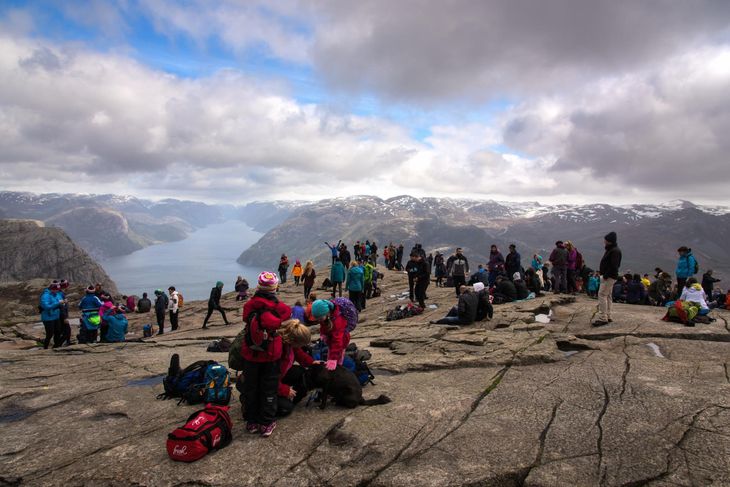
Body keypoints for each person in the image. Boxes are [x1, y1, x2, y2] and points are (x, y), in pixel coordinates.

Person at [241, 272, 292, 438]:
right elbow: (287, 313)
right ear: (274, 288)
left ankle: (252, 422)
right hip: (271, 354)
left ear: (258, 286)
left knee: (251, 388)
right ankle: (266, 423)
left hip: (250, 354)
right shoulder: (277, 306)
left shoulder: (250, 305)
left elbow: (245, 318)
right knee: (269, 388)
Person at [310, 299, 351, 370]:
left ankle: (337, 370)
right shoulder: (325, 317)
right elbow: (323, 325)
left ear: (327, 313)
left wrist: (333, 359)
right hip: (331, 340)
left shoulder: (338, 321)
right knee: (330, 355)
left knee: (337, 361)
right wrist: (323, 334)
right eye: (317, 318)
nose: (318, 320)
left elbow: (337, 342)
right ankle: (331, 364)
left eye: (319, 318)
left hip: (341, 342)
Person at [593, 232, 622, 327]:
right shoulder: (613, 250)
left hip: (608, 277)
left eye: (605, 240)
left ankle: (602, 318)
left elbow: (614, 266)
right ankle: (608, 315)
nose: (604, 241)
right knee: (608, 296)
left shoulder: (614, 251)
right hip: (610, 276)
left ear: (609, 241)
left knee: (602, 295)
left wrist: (605, 275)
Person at [39, 282, 64, 349]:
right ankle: (45, 347)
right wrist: (58, 303)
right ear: (52, 289)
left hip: (56, 316)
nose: (58, 291)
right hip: (48, 317)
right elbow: (46, 306)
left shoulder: (57, 294)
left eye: (58, 289)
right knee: (50, 333)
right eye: (57, 289)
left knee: (58, 331)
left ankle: (56, 346)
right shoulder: (45, 295)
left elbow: (61, 302)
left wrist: (63, 303)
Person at [58, 279, 73, 346]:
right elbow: (62, 306)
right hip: (62, 315)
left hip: (60, 315)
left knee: (62, 330)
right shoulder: (61, 294)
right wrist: (65, 317)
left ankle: (66, 342)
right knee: (67, 330)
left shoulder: (60, 293)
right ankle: (60, 343)